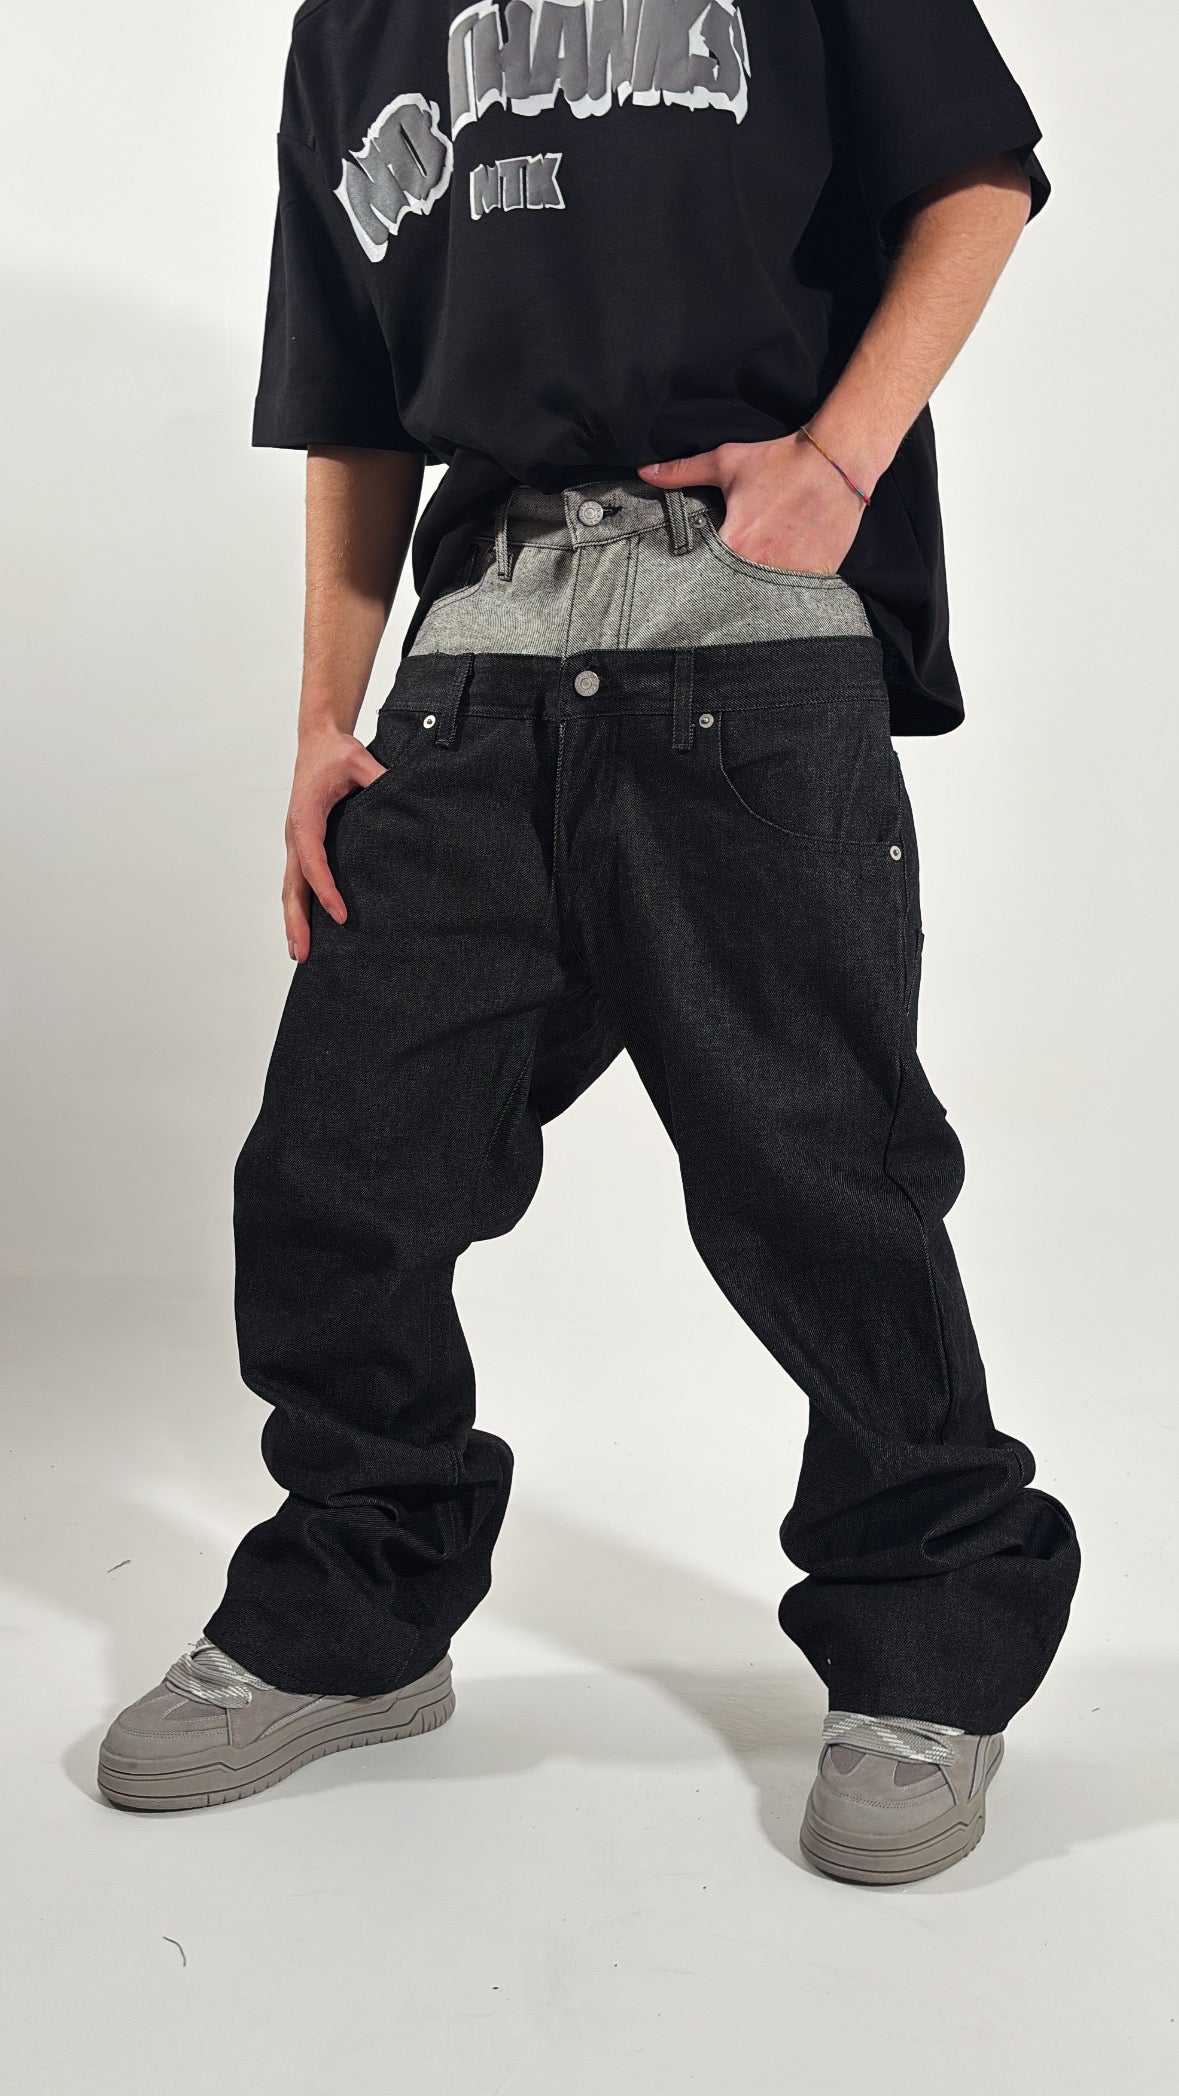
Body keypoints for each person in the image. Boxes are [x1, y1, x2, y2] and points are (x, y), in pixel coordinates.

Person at [98, 0, 1080, 1882]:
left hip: (746, 631)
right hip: (478, 654)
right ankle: (358, 1607)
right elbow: (355, 406)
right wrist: (322, 724)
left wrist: (839, 464)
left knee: (819, 1173)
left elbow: (980, 178)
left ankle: (931, 1641)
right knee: (339, 1165)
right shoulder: (349, 30)